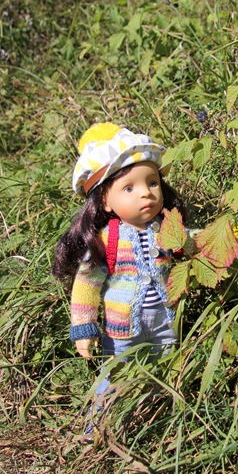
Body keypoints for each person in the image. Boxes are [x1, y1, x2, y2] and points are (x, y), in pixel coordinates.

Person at [52, 122, 186, 436]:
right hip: (121, 328)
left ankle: (157, 423)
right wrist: (83, 326)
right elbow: (86, 284)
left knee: (165, 371)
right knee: (114, 375)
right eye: (129, 188)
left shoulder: (167, 229)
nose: (146, 193)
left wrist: (223, 238)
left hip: (166, 324)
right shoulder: (106, 240)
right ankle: (97, 430)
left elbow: (190, 243)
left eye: (152, 182)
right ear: (105, 202)